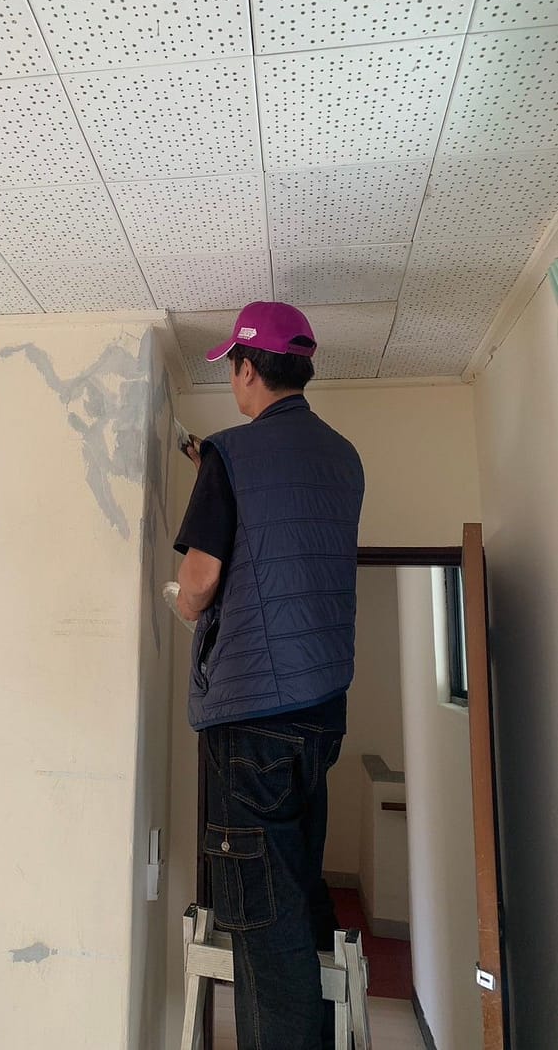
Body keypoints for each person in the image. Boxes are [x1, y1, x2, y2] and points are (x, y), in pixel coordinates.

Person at [173, 301, 364, 1050]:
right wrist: (216, 475)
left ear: (248, 368)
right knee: (294, 886)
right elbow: (283, 535)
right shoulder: (342, 456)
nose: (233, 381)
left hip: (252, 717)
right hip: (320, 714)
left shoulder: (232, 453)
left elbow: (200, 581)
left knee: (260, 920)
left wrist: (182, 603)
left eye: (232, 368)